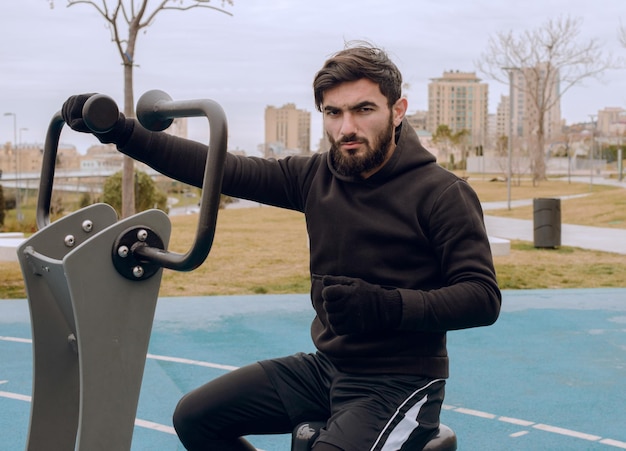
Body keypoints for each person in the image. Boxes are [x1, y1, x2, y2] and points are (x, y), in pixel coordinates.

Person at [62, 42, 501, 451]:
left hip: (401, 382)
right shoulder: (315, 177)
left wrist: (387, 306)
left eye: (363, 109)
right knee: (195, 417)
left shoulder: (441, 193)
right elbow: (221, 169)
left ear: (398, 110)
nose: (347, 128)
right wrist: (120, 131)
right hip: (326, 369)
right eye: (333, 113)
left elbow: (482, 298)